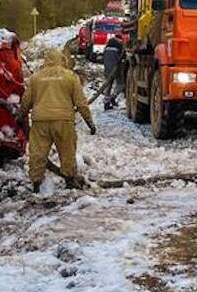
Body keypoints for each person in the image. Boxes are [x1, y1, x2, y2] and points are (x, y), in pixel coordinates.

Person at [18, 48, 96, 192]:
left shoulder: (36, 78)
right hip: (64, 121)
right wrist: (89, 122)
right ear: (61, 59)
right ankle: (70, 181)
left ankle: (36, 183)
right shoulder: (70, 77)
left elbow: (26, 100)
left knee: (38, 153)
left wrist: (20, 115)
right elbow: (81, 102)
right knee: (67, 152)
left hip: (40, 121)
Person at [100, 35, 126, 109]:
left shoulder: (107, 47)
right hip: (116, 68)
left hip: (107, 69)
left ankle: (106, 103)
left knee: (108, 85)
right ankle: (113, 97)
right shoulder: (120, 46)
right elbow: (122, 57)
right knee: (121, 84)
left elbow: (103, 58)